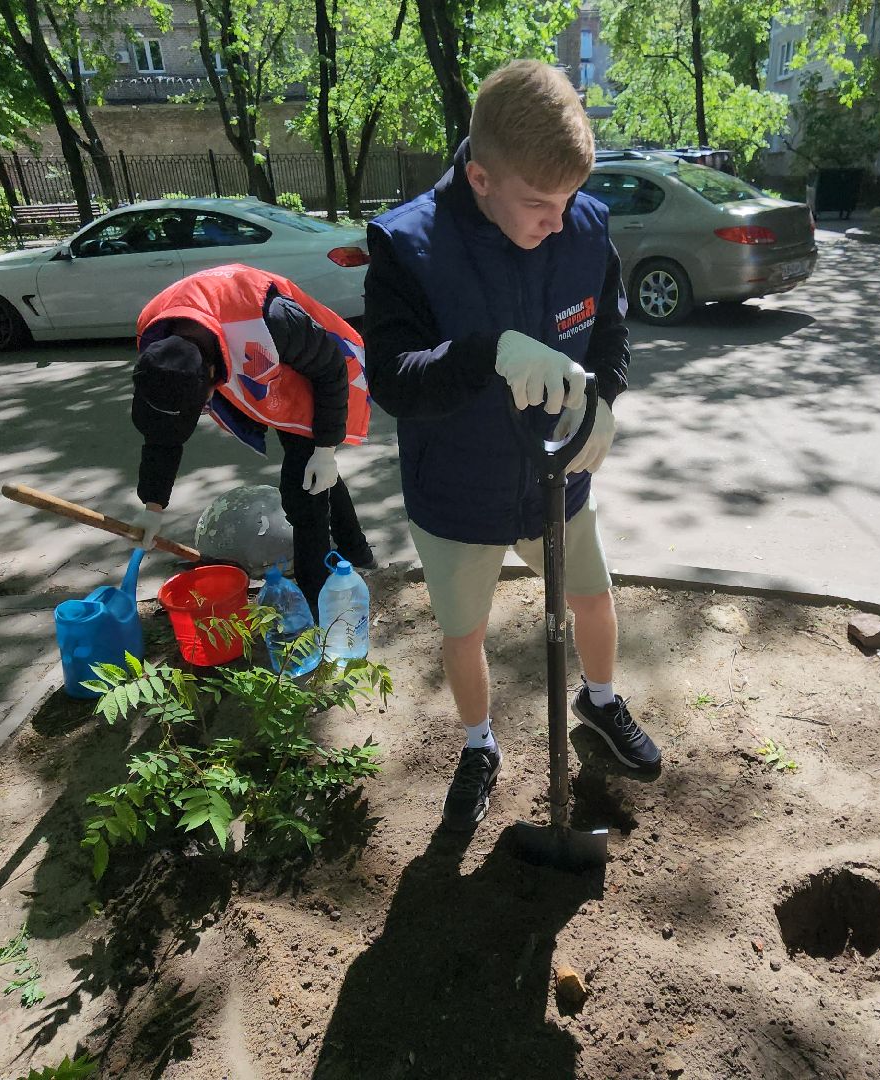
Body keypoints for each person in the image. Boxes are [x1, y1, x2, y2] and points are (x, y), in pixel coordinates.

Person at [363, 59, 660, 833]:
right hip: (456, 492)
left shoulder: (584, 225)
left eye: (568, 199)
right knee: (463, 632)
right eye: (540, 203)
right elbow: (393, 380)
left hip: (556, 482)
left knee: (591, 596)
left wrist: (601, 400)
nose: (558, 219)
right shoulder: (407, 243)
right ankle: (478, 745)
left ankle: (598, 702)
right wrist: (488, 349)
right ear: (483, 176)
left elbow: (611, 332)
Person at [129, 262, 375, 603]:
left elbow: (330, 368)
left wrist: (325, 448)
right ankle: (357, 550)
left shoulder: (271, 319)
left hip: (323, 365)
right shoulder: (159, 340)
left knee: (304, 492)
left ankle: (316, 604)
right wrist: (152, 506)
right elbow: (163, 431)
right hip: (261, 366)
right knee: (317, 475)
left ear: (213, 373)